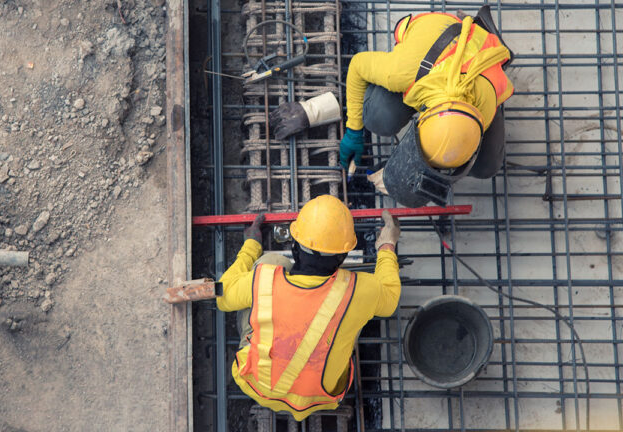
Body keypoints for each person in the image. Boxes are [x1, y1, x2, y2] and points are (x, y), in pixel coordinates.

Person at [216, 194, 401, 420]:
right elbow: (391, 298)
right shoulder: (359, 290)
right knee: (353, 311)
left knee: (271, 263)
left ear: (295, 247)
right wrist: (387, 245)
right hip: (322, 398)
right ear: (342, 257)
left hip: (257, 385)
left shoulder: (264, 279)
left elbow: (222, 296)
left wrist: (251, 245)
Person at [339, 7, 513, 204]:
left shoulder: (487, 105)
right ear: (422, 118)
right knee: (377, 118)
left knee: (486, 166)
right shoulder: (402, 72)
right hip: (434, 38)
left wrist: (411, 175)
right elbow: (357, 66)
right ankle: (473, 25)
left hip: (481, 65)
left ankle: (485, 34)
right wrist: (354, 129)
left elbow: (451, 148)